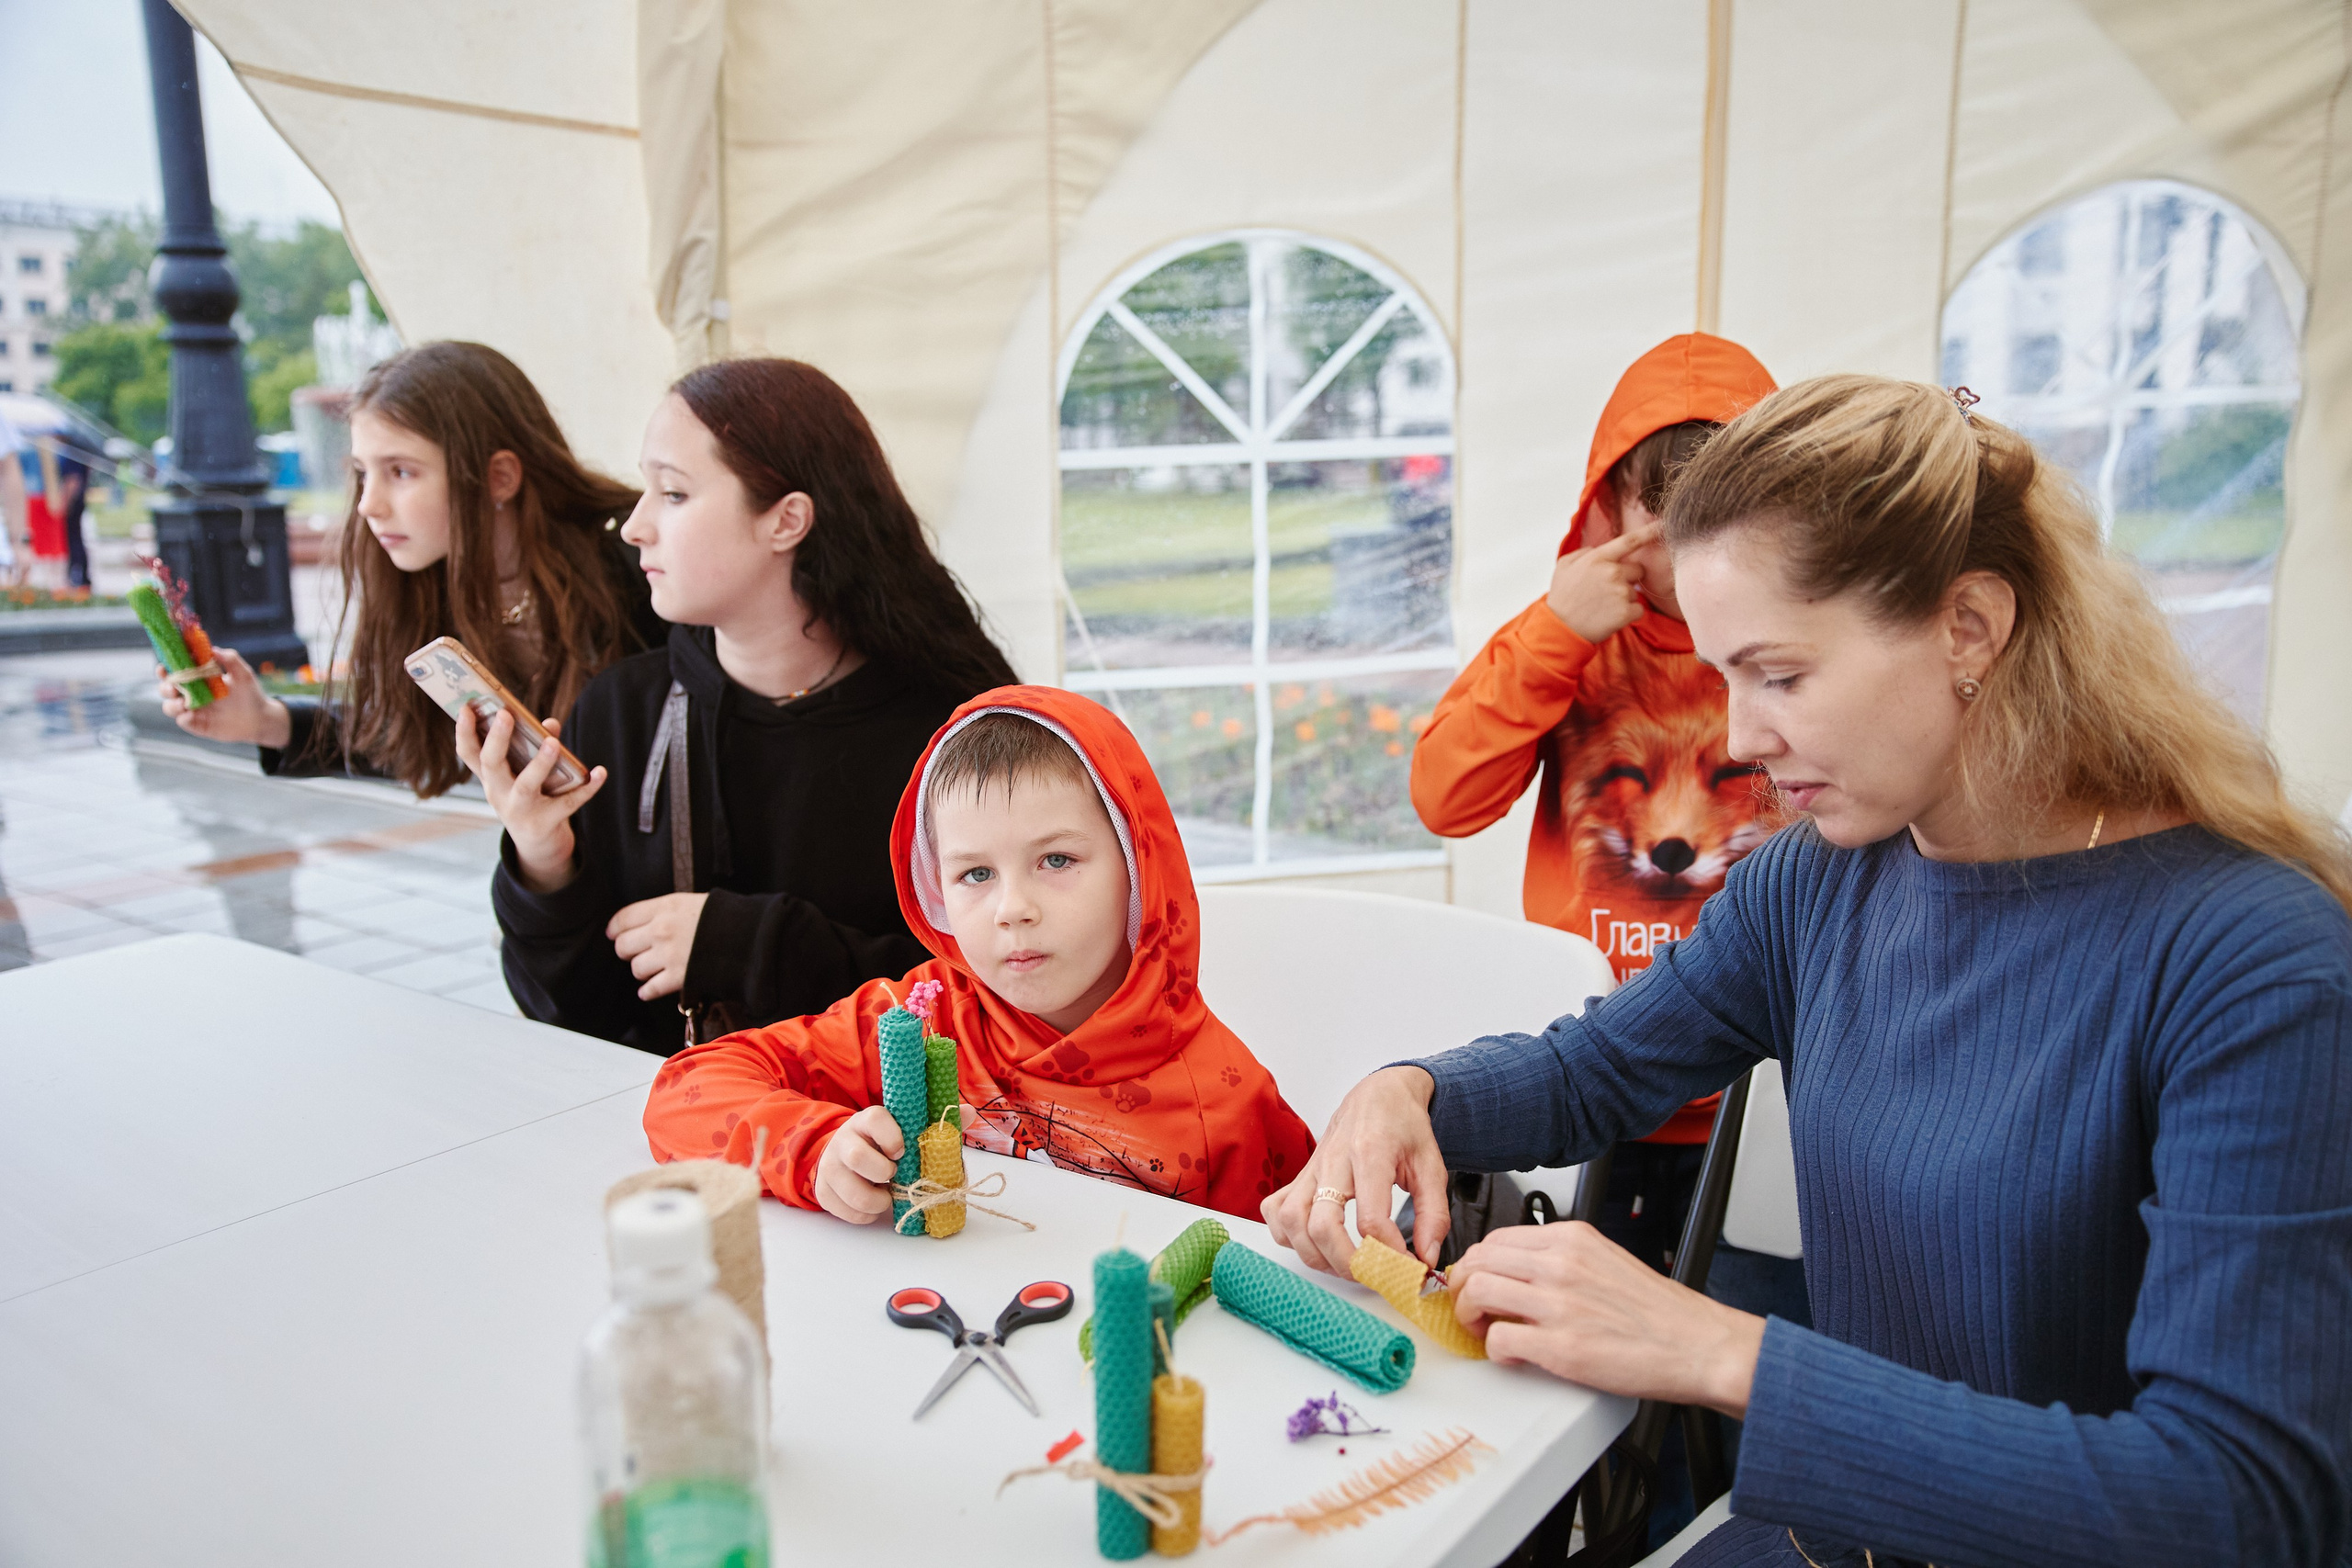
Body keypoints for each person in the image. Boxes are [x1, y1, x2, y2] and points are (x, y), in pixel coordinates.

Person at [1268, 376, 2352, 1567]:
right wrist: (1410, 1089)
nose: (1740, 736)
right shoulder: (1819, 882)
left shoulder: (2255, 963)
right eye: (1726, 673)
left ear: (1969, 628)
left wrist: (1717, 1349)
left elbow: (2239, 1504)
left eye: (1780, 674)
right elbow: (1592, 1071)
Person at [473, 358, 1018, 1054]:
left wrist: (748, 943)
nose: (634, 525)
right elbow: (572, 1016)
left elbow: (999, 998)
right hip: (683, 1141)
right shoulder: (622, 709)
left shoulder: (953, 731)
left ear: (786, 520)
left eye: (672, 493)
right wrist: (544, 865)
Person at [639, 688, 1317, 1223]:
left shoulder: (1226, 1102)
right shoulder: (920, 1018)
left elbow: (1285, 1283)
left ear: (1139, 870)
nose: (1012, 907)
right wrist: (815, 1151)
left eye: (1056, 859)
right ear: (937, 888)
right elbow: (685, 1092)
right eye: (975, 874)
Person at [1410, 334, 1779, 1268]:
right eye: (1668, 525)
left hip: (1756, 1093)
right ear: (1609, 504)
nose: (1692, 559)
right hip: (1588, 1077)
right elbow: (1445, 799)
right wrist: (1554, 636)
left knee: (1727, 1329)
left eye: (1724, 521)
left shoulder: (1794, 645)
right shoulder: (1565, 639)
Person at [159, 342, 656, 795]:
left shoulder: (640, 564)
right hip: (562, 878)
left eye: (400, 471)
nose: (368, 505)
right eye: (361, 473)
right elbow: (412, 738)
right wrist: (265, 720)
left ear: (499, 477)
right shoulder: (429, 579)